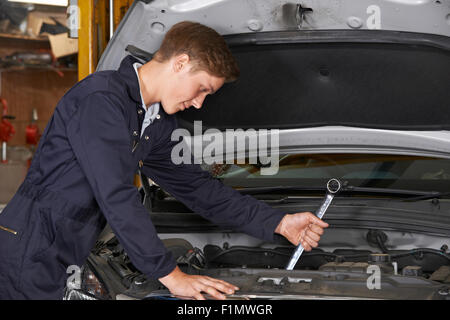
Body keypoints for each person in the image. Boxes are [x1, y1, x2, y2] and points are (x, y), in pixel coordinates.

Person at [0, 21, 329, 300]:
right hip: (31, 247)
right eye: (201, 89)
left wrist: (277, 222)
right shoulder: (101, 101)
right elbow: (116, 194)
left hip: (68, 247)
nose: (199, 104)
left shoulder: (155, 121)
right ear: (181, 62)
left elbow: (197, 188)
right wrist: (171, 276)